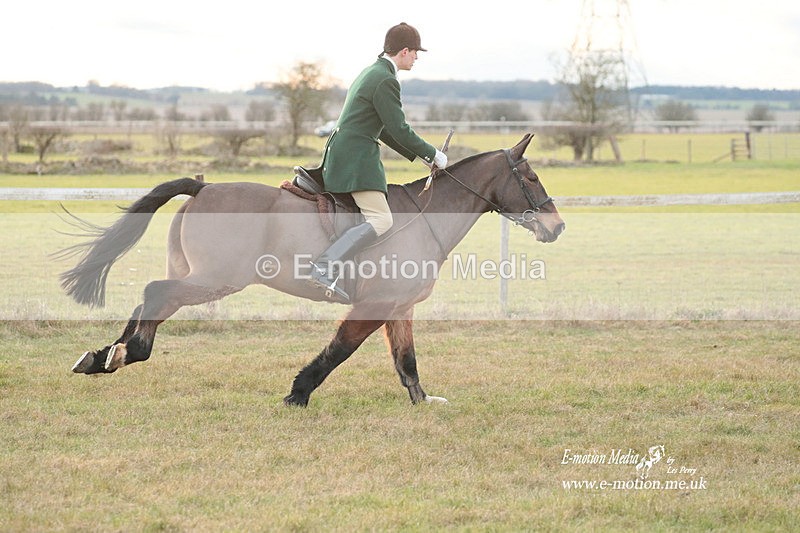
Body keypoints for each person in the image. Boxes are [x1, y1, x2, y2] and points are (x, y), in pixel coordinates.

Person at [309, 22, 448, 303]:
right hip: (355, 159)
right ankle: (324, 266)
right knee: (382, 219)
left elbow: (384, 129)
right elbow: (398, 128)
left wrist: (421, 157)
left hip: (347, 152)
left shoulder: (371, 72)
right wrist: (434, 154)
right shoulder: (386, 79)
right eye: (415, 53)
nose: (417, 58)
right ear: (404, 51)